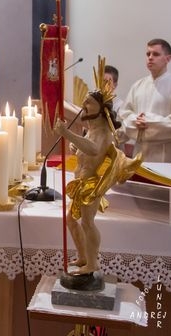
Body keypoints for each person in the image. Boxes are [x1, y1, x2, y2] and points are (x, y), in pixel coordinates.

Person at [55, 85, 140, 275]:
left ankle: (92, 264)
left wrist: (67, 134)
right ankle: (83, 257)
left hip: (92, 185)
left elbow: (94, 149)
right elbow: (87, 152)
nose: (83, 105)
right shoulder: (91, 130)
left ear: (102, 108)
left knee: (87, 223)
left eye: (89, 102)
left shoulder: (104, 132)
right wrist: (75, 147)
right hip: (80, 184)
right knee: (70, 220)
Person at [119, 38, 171, 162]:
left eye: (156, 54)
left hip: (165, 156)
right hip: (138, 154)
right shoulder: (138, 85)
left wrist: (150, 122)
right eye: (148, 54)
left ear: (168, 59)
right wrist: (135, 121)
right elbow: (124, 115)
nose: (150, 57)